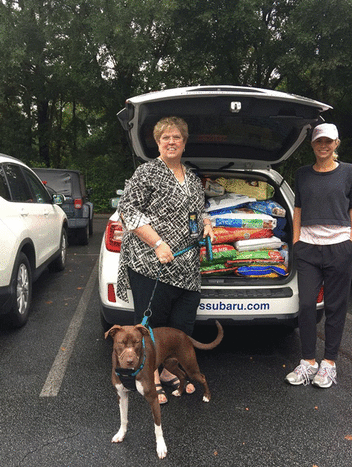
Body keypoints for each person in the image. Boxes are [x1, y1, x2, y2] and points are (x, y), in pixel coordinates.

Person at [116, 116, 214, 403]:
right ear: (158, 143)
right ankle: (152, 377)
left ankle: (171, 369)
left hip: (186, 268)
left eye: (177, 137)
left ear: (184, 142)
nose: (171, 142)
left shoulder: (193, 178)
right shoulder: (147, 173)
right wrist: (157, 243)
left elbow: (200, 211)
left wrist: (207, 224)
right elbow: (128, 211)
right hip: (151, 265)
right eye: (165, 138)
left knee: (180, 327)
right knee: (152, 327)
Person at [285, 123, 352, 388]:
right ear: (312, 145)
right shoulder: (302, 174)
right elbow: (298, 207)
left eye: (328, 142)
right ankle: (308, 362)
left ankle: (329, 364)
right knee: (306, 305)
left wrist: (349, 240)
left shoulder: (348, 172)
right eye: (318, 142)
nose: (323, 146)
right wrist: (296, 240)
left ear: (336, 144)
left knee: (336, 306)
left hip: (339, 246)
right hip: (309, 248)